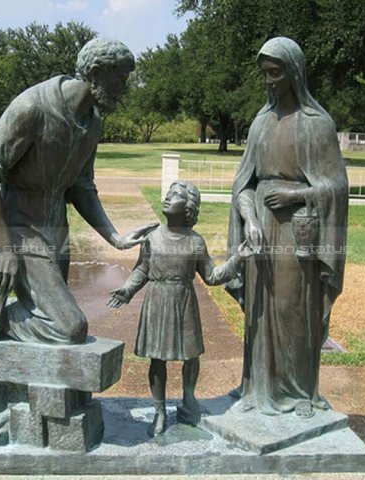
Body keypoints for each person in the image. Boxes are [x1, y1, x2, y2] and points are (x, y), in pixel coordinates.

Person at [0, 38, 156, 344]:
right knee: (68, 328)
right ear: (95, 73)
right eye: (120, 79)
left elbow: (82, 185)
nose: (125, 89)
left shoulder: (92, 122)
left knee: (50, 327)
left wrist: (115, 237)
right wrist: (4, 247)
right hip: (22, 230)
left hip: (57, 231)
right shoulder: (32, 107)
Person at [226, 37, 348, 418]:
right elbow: (242, 184)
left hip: (298, 231)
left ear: (294, 73)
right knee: (260, 311)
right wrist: (248, 218)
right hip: (260, 229)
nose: (269, 81)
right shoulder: (261, 123)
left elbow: (337, 186)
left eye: (275, 73)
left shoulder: (317, 124)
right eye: (264, 74)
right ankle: (257, 388)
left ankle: (299, 392)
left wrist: (296, 194)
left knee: (294, 308)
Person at [108, 181, 254, 436]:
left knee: (191, 355)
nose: (167, 198)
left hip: (184, 301)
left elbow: (211, 275)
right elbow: (142, 269)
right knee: (157, 357)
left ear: (188, 207)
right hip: (158, 300)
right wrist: (127, 289)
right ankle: (160, 410)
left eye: (175, 195)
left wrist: (238, 258)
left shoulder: (195, 241)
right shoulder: (152, 237)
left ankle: (188, 398)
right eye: (168, 193)